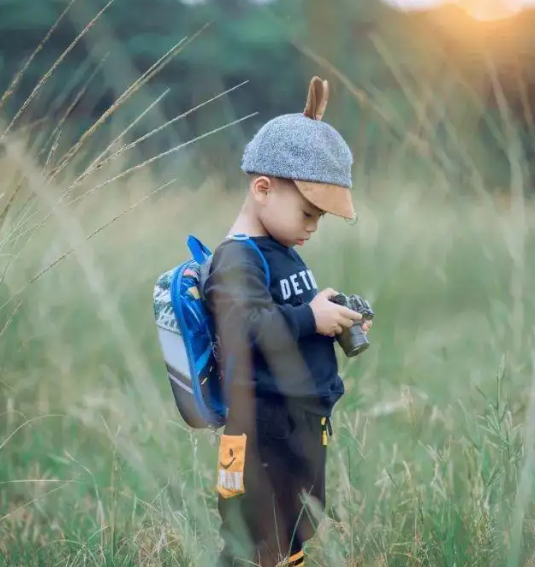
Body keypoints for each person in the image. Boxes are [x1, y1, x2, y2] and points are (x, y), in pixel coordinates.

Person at [202, 76, 372, 567]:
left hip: (297, 422)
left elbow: (286, 311)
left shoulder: (280, 247)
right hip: (261, 427)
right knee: (256, 535)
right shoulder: (238, 257)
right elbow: (249, 326)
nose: (313, 227)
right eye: (308, 213)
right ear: (262, 188)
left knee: (294, 526)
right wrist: (308, 316)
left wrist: (328, 311)